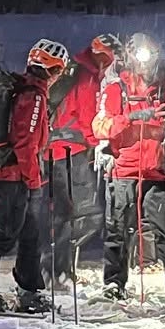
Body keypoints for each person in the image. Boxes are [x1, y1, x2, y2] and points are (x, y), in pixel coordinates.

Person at [0, 36, 68, 314]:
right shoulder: (33, 95)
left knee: (30, 235)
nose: (59, 77)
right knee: (7, 233)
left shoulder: (26, 89)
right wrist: (33, 180)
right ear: (53, 70)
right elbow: (24, 142)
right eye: (59, 71)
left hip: (16, 174)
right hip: (14, 177)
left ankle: (29, 290)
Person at [95, 32, 165, 303]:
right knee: (117, 232)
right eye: (140, 57)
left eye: (150, 56)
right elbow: (100, 127)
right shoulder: (116, 89)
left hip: (156, 172)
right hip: (123, 172)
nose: (145, 63)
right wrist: (132, 117)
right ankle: (114, 284)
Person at [44, 32, 119, 279]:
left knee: (62, 211)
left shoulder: (73, 71)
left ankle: (55, 265)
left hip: (52, 149)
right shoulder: (86, 77)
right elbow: (87, 117)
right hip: (71, 150)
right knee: (86, 214)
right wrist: (96, 144)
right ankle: (57, 266)